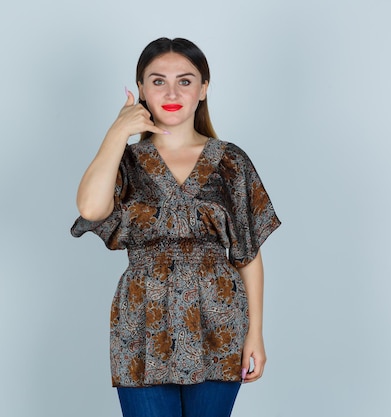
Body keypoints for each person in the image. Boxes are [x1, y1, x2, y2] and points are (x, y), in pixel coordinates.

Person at [70, 37, 281, 417]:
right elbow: (90, 206)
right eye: (157, 81)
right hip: (142, 322)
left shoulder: (231, 161)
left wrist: (255, 333)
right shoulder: (126, 161)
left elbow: (248, 254)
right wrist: (118, 132)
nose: (171, 92)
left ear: (203, 89)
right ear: (140, 90)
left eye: (185, 81)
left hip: (219, 321)